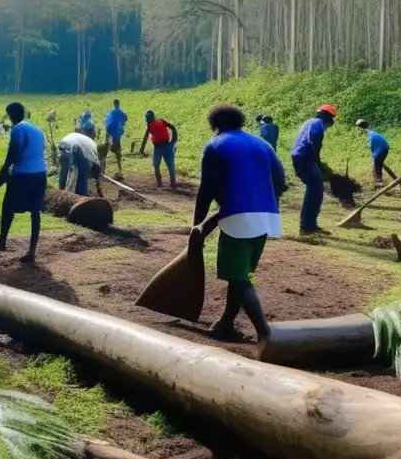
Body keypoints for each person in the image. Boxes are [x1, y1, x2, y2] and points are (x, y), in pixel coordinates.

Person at [191, 105, 285, 356]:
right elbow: (281, 180)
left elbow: (206, 190)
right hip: (268, 217)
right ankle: (226, 324)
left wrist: (196, 225)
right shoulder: (262, 144)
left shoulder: (216, 145)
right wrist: (262, 200)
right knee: (241, 274)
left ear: (215, 125)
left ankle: (265, 333)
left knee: (239, 278)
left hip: (238, 218)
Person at [0, 102, 47, 263]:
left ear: (12, 115)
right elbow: (40, 151)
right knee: (35, 211)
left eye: (9, 115)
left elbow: (13, 153)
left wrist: (4, 171)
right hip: (41, 173)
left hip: (23, 174)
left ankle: (1, 242)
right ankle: (32, 252)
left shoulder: (18, 129)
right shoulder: (38, 131)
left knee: (8, 207)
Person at [290, 105, 336, 235]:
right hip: (305, 157)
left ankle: (308, 225)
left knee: (314, 188)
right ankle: (308, 227)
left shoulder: (309, 121)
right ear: (328, 117)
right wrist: (318, 162)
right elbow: (313, 142)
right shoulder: (318, 124)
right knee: (316, 190)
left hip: (299, 156)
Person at [139, 110, 178, 189]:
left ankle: (170, 185)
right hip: (160, 147)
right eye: (146, 119)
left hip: (165, 147)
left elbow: (145, 137)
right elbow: (172, 127)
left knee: (166, 165)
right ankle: (162, 185)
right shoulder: (159, 122)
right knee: (160, 165)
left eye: (147, 119)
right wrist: (174, 139)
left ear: (152, 118)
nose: (147, 121)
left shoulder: (155, 123)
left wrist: (142, 149)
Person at [58, 131, 102, 197]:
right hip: (73, 145)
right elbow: (94, 168)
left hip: (65, 142)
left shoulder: (92, 147)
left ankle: (61, 190)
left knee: (65, 170)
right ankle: (81, 195)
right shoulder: (94, 157)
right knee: (83, 173)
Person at [356, 119, 396, 186]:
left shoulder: (365, 133)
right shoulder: (370, 132)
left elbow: (369, 144)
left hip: (380, 149)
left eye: (357, 127)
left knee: (376, 166)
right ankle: (393, 179)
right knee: (377, 164)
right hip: (383, 148)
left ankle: (379, 182)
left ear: (359, 127)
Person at [104, 99, 128, 178]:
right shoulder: (120, 112)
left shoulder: (111, 112)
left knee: (107, 149)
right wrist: (122, 124)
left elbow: (107, 121)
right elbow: (125, 118)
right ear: (118, 104)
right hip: (117, 133)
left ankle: (103, 170)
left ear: (114, 104)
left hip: (110, 131)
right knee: (118, 152)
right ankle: (120, 170)